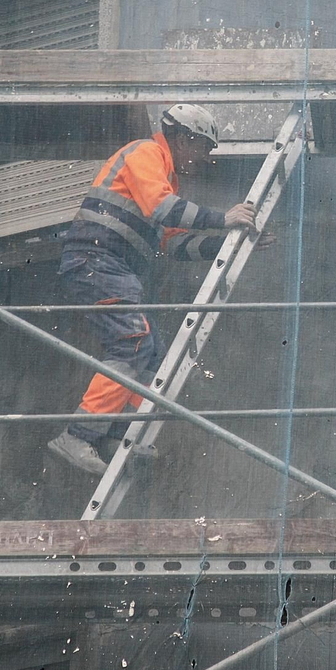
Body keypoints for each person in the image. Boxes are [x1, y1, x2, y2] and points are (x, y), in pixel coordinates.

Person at [48, 103, 257, 474]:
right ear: (182, 138)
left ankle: (109, 436)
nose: (205, 159)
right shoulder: (145, 153)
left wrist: (229, 242)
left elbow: (173, 244)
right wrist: (224, 219)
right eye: (203, 148)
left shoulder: (165, 178)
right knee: (133, 341)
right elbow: (164, 210)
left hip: (109, 267)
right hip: (95, 261)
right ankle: (77, 436)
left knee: (152, 352)